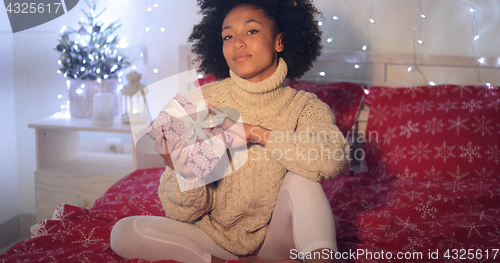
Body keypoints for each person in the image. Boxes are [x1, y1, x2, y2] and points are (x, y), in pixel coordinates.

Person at [110, 0, 349, 262]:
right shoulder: (198, 102)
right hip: (216, 243)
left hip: (279, 242)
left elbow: (331, 160)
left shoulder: (305, 107)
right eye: (228, 36)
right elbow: (181, 213)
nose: (237, 43)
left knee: (303, 179)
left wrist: (256, 132)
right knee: (125, 232)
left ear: (279, 41)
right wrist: (184, 171)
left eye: (251, 31)